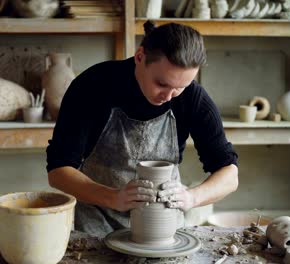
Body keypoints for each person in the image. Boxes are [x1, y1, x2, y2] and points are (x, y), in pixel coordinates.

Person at [46, 21, 239, 238]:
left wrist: (191, 198)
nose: (168, 96)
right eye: (161, 83)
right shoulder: (92, 86)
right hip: (98, 222)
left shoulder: (193, 98)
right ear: (140, 57)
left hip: (165, 228)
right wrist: (113, 197)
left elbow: (230, 175)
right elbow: (58, 171)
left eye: (180, 87)